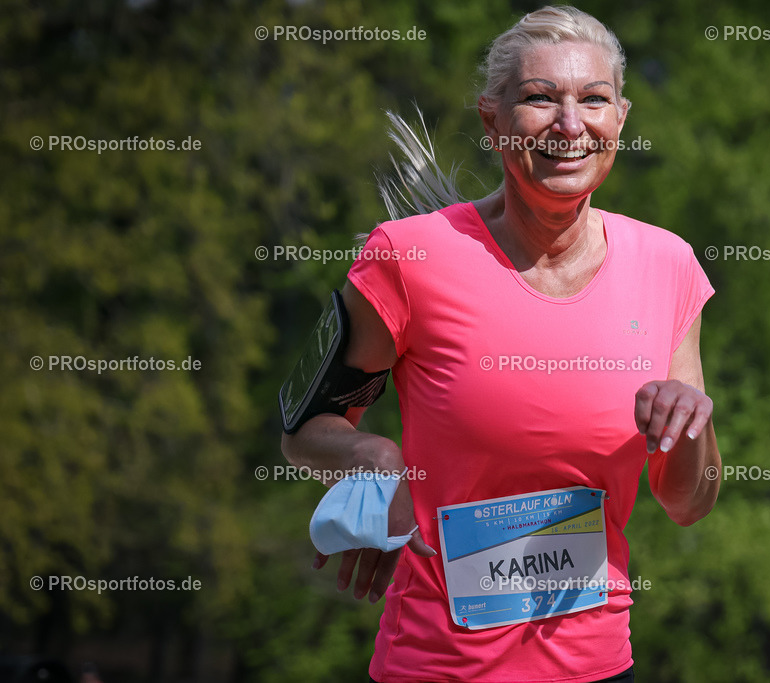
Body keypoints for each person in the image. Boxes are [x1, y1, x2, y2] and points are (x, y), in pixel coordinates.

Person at [281, 6, 721, 682]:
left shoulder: (669, 268)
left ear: (621, 120)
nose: (570, 125)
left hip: (599, 667)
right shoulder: (407, 257)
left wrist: (694, 426)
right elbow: (304, 430)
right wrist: (373, 455)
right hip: (435, 666)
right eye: (540, 98)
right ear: (493, 120)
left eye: (593, 100)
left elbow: (689, 500)